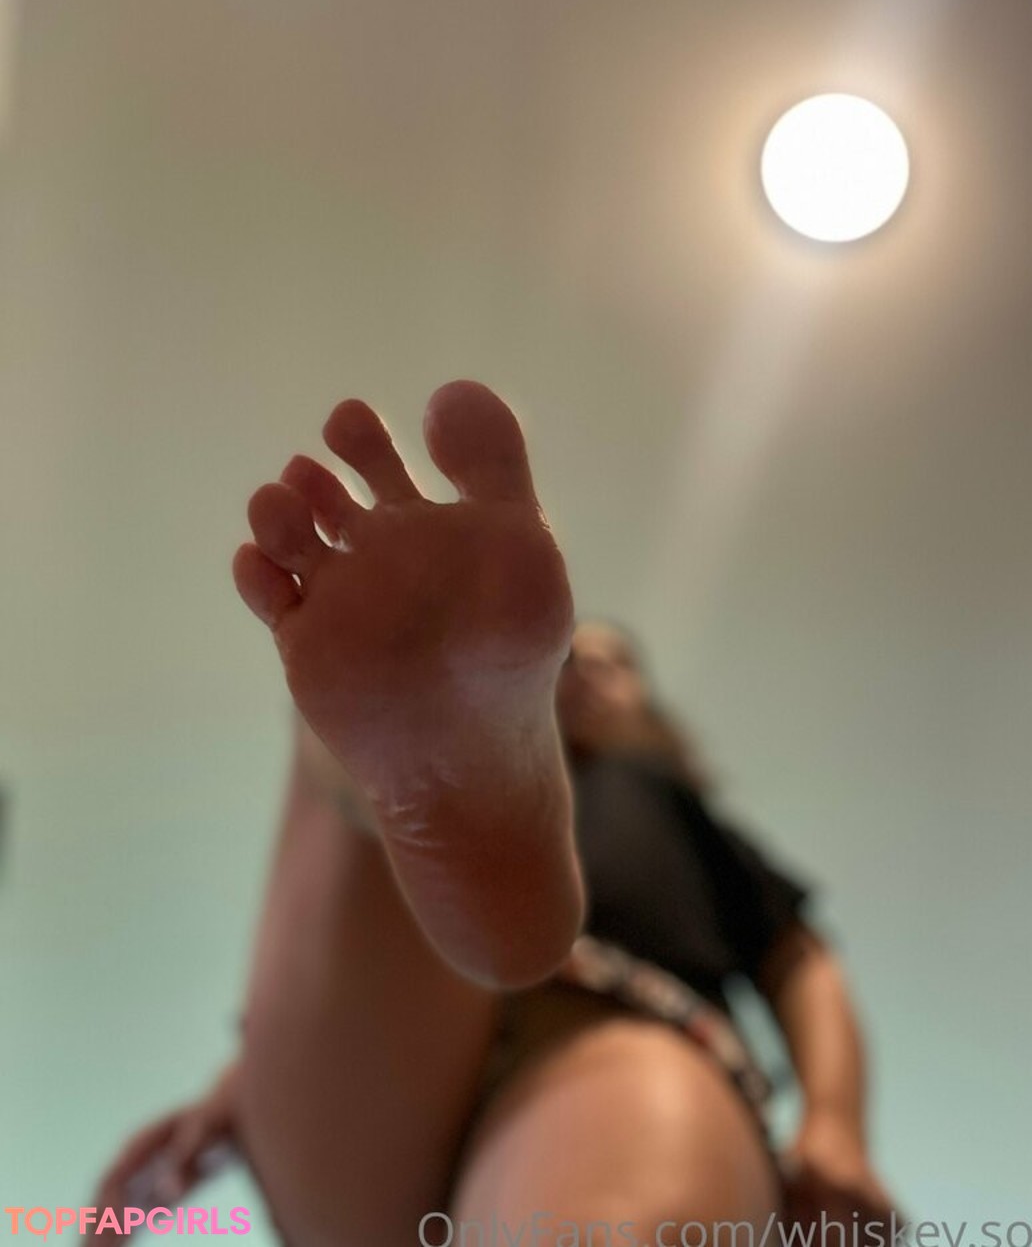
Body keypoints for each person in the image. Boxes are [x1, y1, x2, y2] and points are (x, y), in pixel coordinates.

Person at [89, 380, 898, 1245]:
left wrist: (837, 1126)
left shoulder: (677, 806)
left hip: (604, 1017)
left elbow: (802, 959)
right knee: (339, 756)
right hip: (406, 1008)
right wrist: (251, 1078)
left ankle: (412, 789)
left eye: (615, 666)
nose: (589, 673)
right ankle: (379, 766)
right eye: (573, 659)